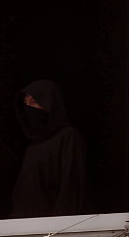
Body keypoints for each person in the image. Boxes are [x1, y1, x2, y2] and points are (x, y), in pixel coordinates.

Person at [11, 79, 87, 218]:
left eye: (33, 101)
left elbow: (70, 187)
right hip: (25, 228)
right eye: (25, 103)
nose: (28, 108)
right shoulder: (33, 146)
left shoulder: (68, 137)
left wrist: (59, 229)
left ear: (49, 104)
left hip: (52, 230)